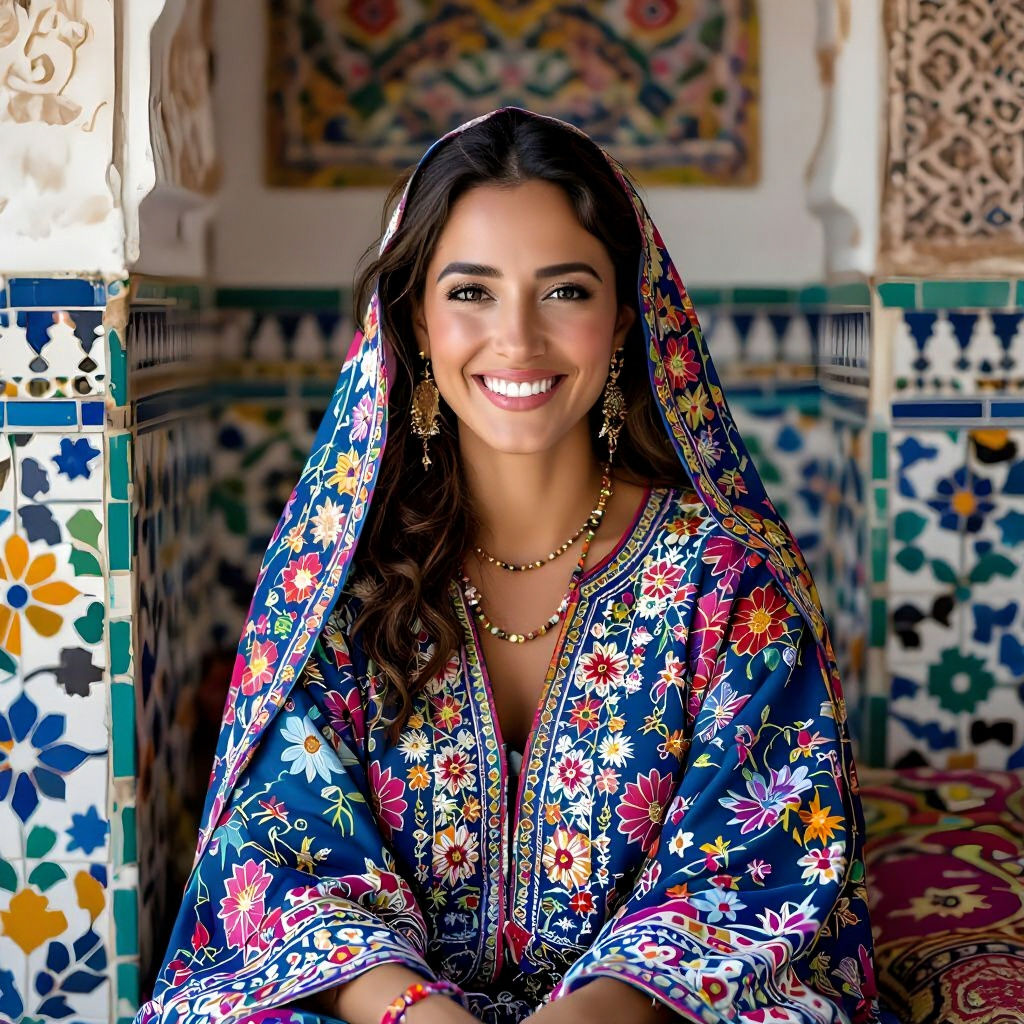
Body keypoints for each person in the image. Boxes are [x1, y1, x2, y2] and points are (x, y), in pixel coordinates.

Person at [135, 108, 878, 1024]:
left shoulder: (727, 585)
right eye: (471, 292)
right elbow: (273, 862)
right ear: (413, 320)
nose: (517, 338)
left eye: (565, 290)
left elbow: (754, 871)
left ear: (624, 316)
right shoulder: (340, 584)